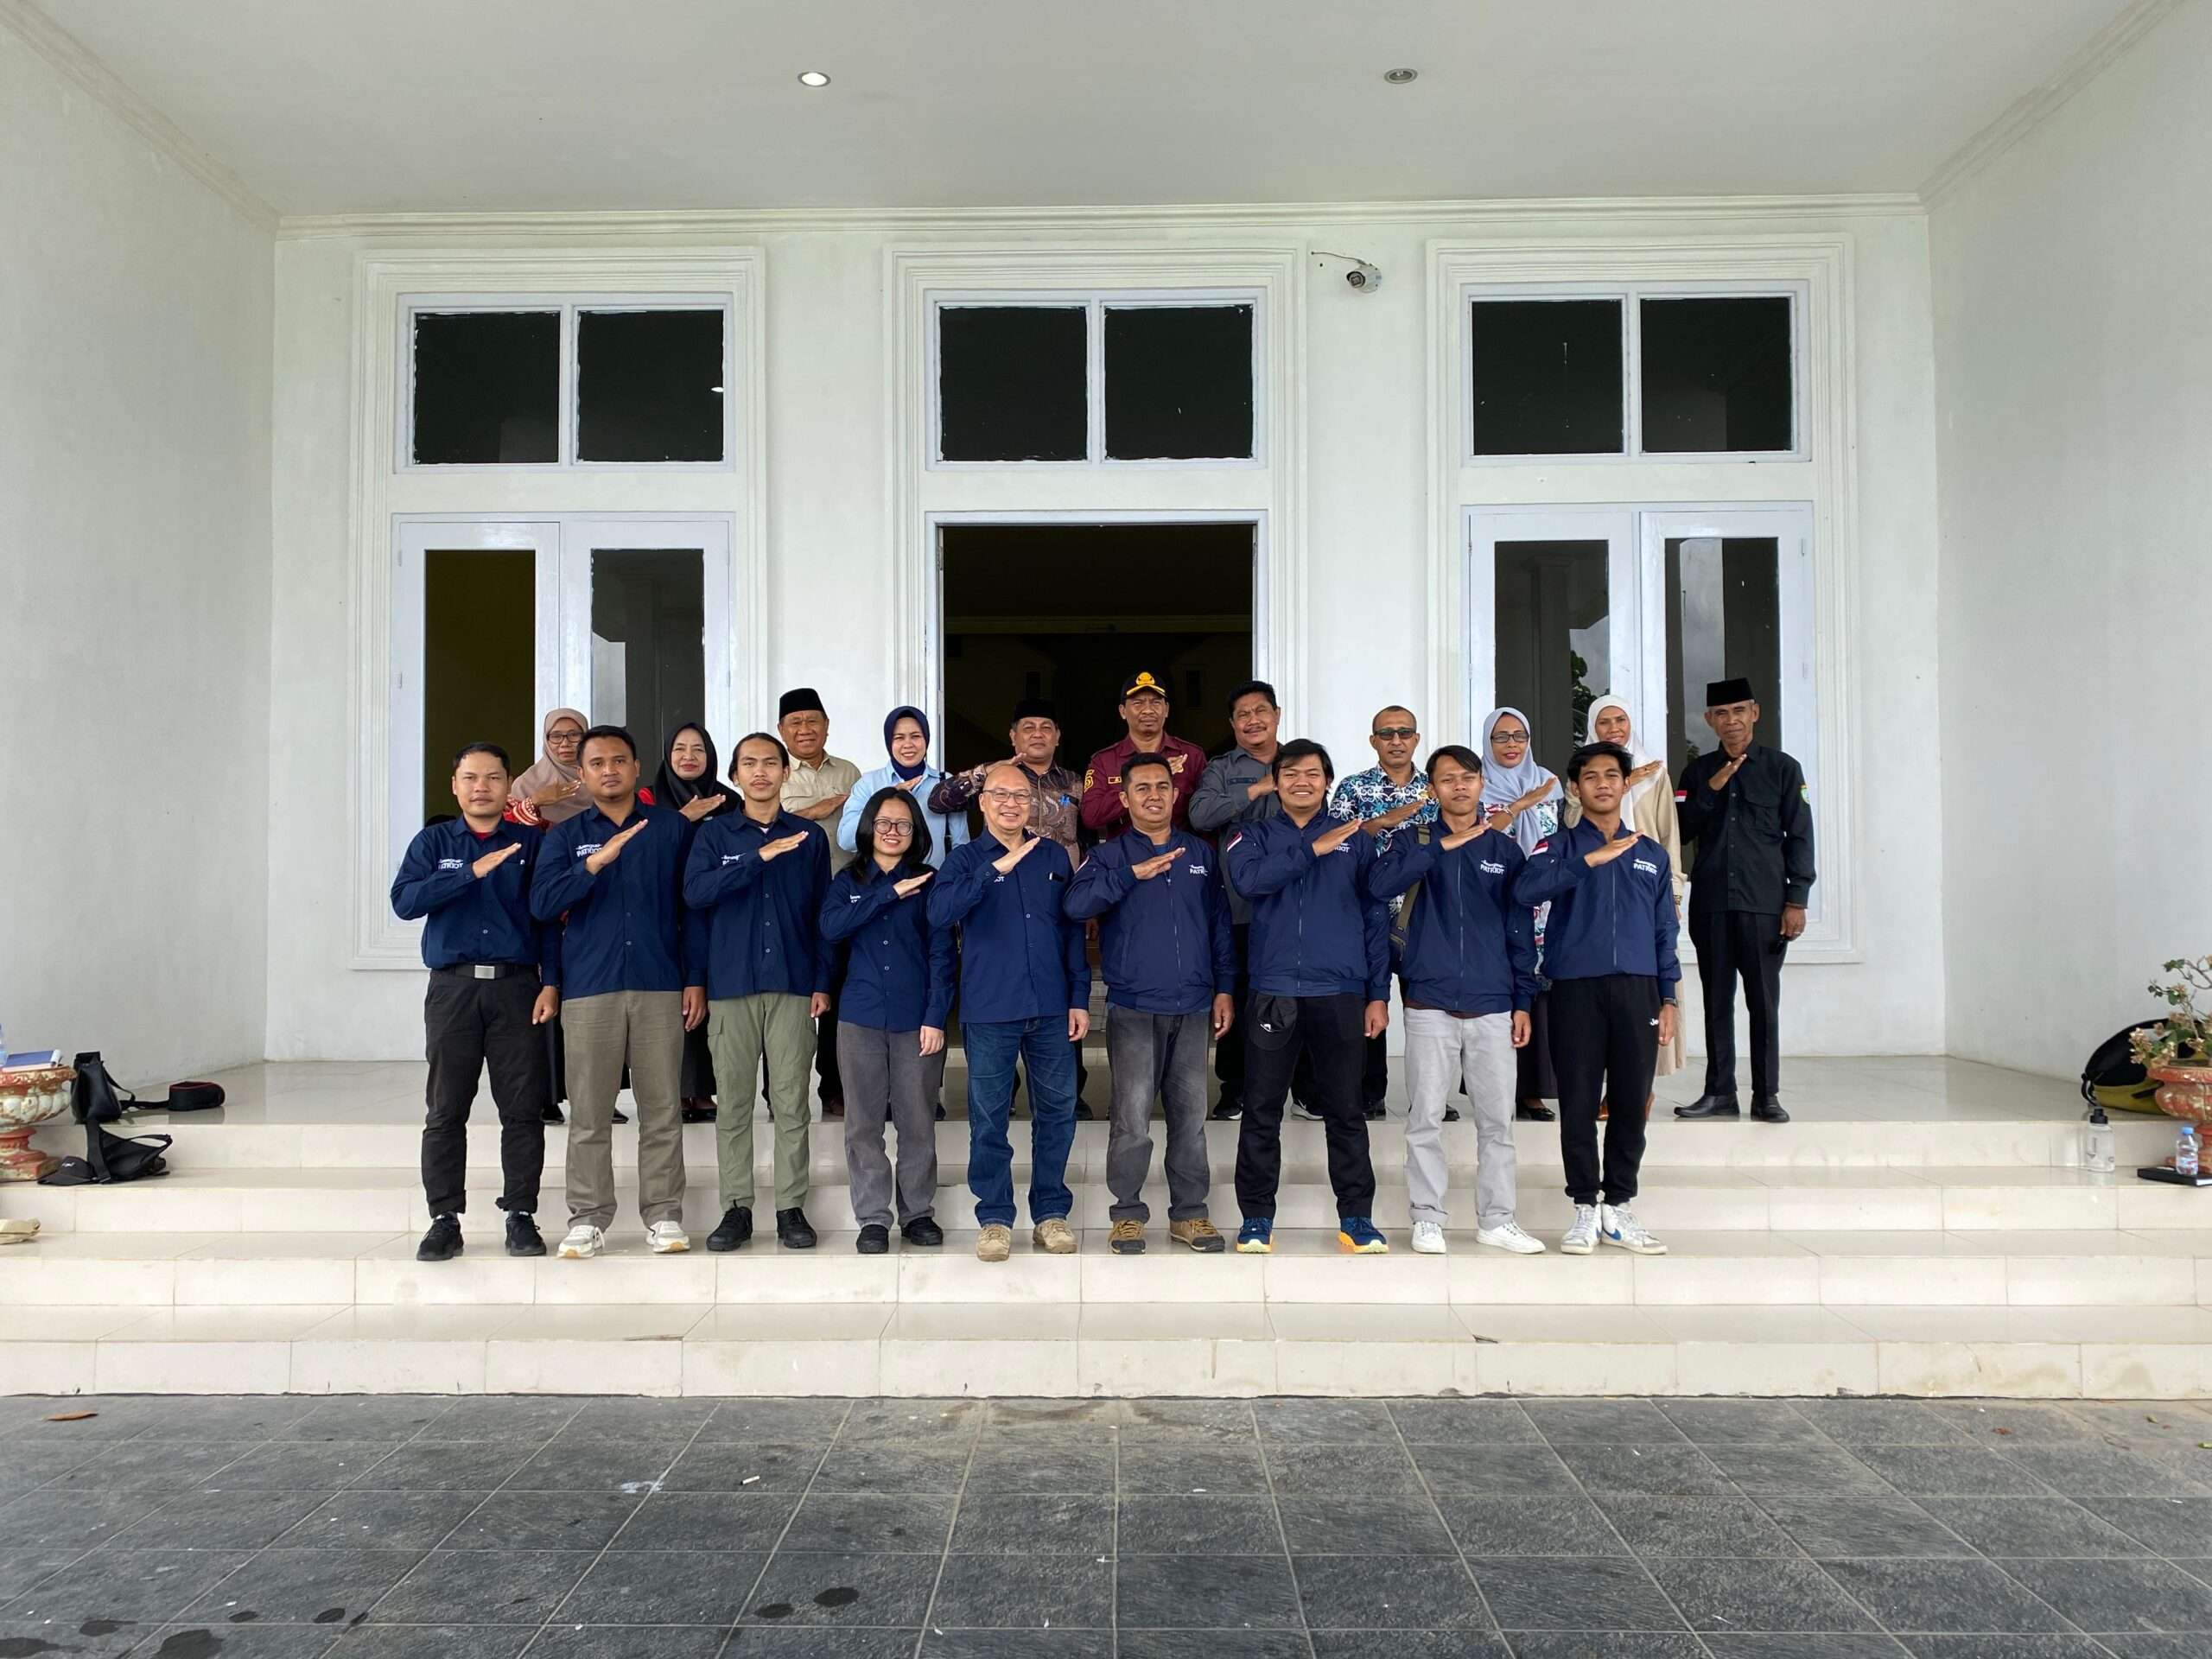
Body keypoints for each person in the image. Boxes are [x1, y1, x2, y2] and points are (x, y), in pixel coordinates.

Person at [529, 725, 705, 1261]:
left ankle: (665, 1215)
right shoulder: (565, 836)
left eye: (619, 761)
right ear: (582, 774)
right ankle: (587, 1218)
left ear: (635, 767)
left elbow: (693, 907)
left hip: (659, 983)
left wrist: (695, 977)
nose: (609, 770)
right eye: (597, 763)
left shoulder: (671, 828)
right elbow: (543, 905)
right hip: (590, 987)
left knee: (661, 1110)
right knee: (589, 1112)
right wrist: (591, 865)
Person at [390, 741, 560, 1263]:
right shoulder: (434, 841)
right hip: (453, 990)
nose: (481, 787)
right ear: (455, 786)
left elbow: (549, 918)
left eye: (492, 778)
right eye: (470, 778)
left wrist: (552, 982)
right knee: (446, 1109)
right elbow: (404, 902)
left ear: (509, 786)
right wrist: (469, 872)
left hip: (517, 988)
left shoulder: (532, 843)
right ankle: (444, 1219)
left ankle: (521, 1214)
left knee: (522, 1109)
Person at [1370, 744, 1541, 1257]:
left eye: (1468, 777)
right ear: (1433, 789)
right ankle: (1427, 1218)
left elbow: (1520, 931)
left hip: (1493, 1002)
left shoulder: (1505, 851)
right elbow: (1379, 885)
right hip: (1430, 1000)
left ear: (1481, 784)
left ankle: (1498, 1219)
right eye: (1447, 779)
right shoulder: (1413, 840)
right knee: (1425, 1117)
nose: (1459, 787)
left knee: (1497, 1123)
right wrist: (1439, 849)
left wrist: (1524, 999)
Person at [1223, 739, 1390, 1256]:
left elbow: (1374, 918)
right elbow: (1249, 882)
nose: (1302, 782)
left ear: (1327, 782)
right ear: (1275, 782)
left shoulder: (1355, 840)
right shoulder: (1251, 835)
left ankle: (1357, 1218)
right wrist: (1310, 850)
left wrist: (1377, 994)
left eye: (1313, 773)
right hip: (1274, 991)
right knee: (1262, 1110)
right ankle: (1256, 1219)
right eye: (1290, 773)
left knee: (1346, 1110)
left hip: (1339, 993)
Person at [1065, 753, 1236, 1255]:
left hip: (1193, 1005)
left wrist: (1224, 987)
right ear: (1124, 799)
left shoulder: (1200, 854)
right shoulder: (1109, 856)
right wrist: (1129, 876)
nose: (1154, 795)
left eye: (1162, 786)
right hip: (1135, 1006)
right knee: (1132, 1119)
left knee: (1190, 1118)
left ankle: (1190, 1214)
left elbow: (1219, 926)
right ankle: (1127, 1215)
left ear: (1176, 793)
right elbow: (1075, 905)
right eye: (1142, 788)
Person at [1516, 741, 1681, 1257]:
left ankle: (1619, 1206)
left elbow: (1665, 932)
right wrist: (1589, 861)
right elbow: (1526, 891)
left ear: (1626, 784)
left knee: (1631, 1101)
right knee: (1579, 1101)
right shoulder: (1556, 845)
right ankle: (1586, 1205)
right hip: (1575, 989)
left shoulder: (1650, 854)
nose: (1603, 784)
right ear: (1575, 788)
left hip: (1638, 990)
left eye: (1612, 775)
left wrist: (1669, 997)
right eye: (1591, 776)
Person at [927, 763, 1090, 1262]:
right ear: (982, 803)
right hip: (990, 1008)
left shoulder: (1053, 856)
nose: (1011, 804)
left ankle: (1051, 1213)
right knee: (989, 1118)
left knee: (1057, 1113)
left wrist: (1079, 997)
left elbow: (1070, 931)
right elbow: (939, 914)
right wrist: (993, 870)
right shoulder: (963, 860)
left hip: (1050, 1006)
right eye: (1000, 794)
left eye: (1020, 795)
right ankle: (995, 1218)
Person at [683, 732, 834, 1253]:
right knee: (734, 1104)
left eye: (771, 762)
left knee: (792, 1102)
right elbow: (695, 896)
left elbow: (822, 915)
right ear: (735, 775)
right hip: (731, 985)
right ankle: (737, 1209)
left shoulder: (809, 838)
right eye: (749, 764)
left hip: (793, 983)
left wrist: (822, 981)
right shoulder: (714, 835)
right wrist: (758, 857)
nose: (761, 772)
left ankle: (791, 1208)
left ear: (786, 772)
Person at [1673, 677, 1816, 1125]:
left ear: (1754, 713)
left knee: (1763, 1002)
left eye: (1739, 711)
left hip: (1764, 904)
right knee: (1717, 1002)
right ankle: (1719, 1093)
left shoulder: (1784, 769)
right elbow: (1681, 830)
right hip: (1712, 904)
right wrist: (1712, 788)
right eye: (1722, 713)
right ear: (1709, 720)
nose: (1731, 720)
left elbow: (1800, 836)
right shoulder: (1696, 773)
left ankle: (1766, 1095)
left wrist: (1797, 900)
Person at [823, 787, 956, 1254]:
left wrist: (936, 1017)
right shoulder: (847, 880)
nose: (893, 832)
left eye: (903, 824)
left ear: (915, 831)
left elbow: (942, 955)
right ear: (869, 828)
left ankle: (917, 1213)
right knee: (863, 1124)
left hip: (915, 1018)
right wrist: (886, 894)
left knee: (917, 1121)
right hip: (859, 1015)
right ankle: (873, 1218)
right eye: (884, 823)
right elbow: (831, 928)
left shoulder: (930, 881)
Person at [1566, 696, 1686, 1113]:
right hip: (1594, 893)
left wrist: (1674, 890)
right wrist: (1623, 782)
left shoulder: (1657, 773)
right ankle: (1606, 1090)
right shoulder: (1583, 775)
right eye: (1604, 722)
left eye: (1620, 719)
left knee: (1650, 991)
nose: (1613, 728)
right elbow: (1571, 826)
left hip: (1645, 886)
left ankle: (1641, 1089)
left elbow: (1669, 835)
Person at [1326, 705, 1439, 1122]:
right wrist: (1387, 820)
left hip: (1423, 912)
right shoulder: (1353, 788)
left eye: (1404, 732)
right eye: (1387, 733)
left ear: (1416, 739)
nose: (1396, 740)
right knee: (1368, 1002)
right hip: (1366, 910)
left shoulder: (1435, 788)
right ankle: (1369, 1093)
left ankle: (1430, 1098)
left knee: (1425, 1010)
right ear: (1373, 740)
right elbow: (1335, 843)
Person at [1188, 679, 1283, 1122]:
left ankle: (1304, 1089)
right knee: (1237, 996)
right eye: (1243, 715)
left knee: (1297, 996)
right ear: (1232, 723)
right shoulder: (1222, 768)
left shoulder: (1300, 761)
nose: (1253, 720)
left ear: (1277, 715)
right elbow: (1200, 815)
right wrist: (1257, 789)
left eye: (1260, 711)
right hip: (1239, 906)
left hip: (1292, 906)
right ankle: (1235, 1090)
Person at [776, 688, 862, 1118]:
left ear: (827, 726)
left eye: (813, 720)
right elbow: (775, 821)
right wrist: (826, 806)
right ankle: (778, 1092)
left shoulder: (849, 771)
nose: (805, 729)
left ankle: (835, 1087)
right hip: (790, 900)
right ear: (781, 730)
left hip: (842, 896)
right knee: (788, 997)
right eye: (796, 722)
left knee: (838, 994)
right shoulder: (774, 771)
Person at [1480, 707, 1565, 1125]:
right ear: (1488, 742)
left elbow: (1563, 840)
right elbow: (1479, 837)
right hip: (1495, 904)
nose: (1511, 744)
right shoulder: (1477, 784)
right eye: (1501, 737)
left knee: (1540, 999)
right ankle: (1498, 1091)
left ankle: (1532, 1091)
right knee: (1501, 994)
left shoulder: (1550, 784)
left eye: (1519, 736)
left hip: (1544, 907)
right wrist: (1520, 806)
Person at [656, 721, 738, 1124]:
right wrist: (680, 820)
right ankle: (673, 1090)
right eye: (680, 749)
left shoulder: (729, 800)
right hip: (663, 912)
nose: (689, 756)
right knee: (671, 1001)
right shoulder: (649, 800)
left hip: (715, 912)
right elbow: (640, 851)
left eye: (698, 749)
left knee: (707, 996)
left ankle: (701, 1090)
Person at [930, 696, 1083, 861]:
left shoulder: (1074, 782)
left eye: (1046, 728)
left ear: (1057, 736)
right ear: (1013, 736)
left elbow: (1088, 833)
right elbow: (937, 802)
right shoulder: (995, 777)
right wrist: (985, 772)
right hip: (1003, 873)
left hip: (1062, 875)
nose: (1038, 734)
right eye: (1029, 728)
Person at [839, 706, 970, 870]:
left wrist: (949, 880)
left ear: (926, 739)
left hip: (934, 881)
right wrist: (884, 800)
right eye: (899, 738)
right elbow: (846, 841)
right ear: (889, 742)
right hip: (881, 882)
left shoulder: (945, 782)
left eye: (916, 736)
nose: (908, 744)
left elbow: (960, 844)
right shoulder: (869, 783)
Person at [1080, 670, 1207, 839]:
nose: (1148, 710)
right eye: (1138, 703)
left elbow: (1206, 818)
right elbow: (1091, 816)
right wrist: (1137, 784)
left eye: (1156, 702)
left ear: (1166, 710)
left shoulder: (1191, 756)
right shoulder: (1104, 761)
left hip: (1180, 850)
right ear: (1122, 711)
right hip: (1123, 853)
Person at [505, 708, 590, 827]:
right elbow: (509, 828)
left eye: (574, 735)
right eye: (556, 736)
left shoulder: (600, 776)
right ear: (546, 740)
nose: (565, 743)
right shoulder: (526, 784)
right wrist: (536, 801)